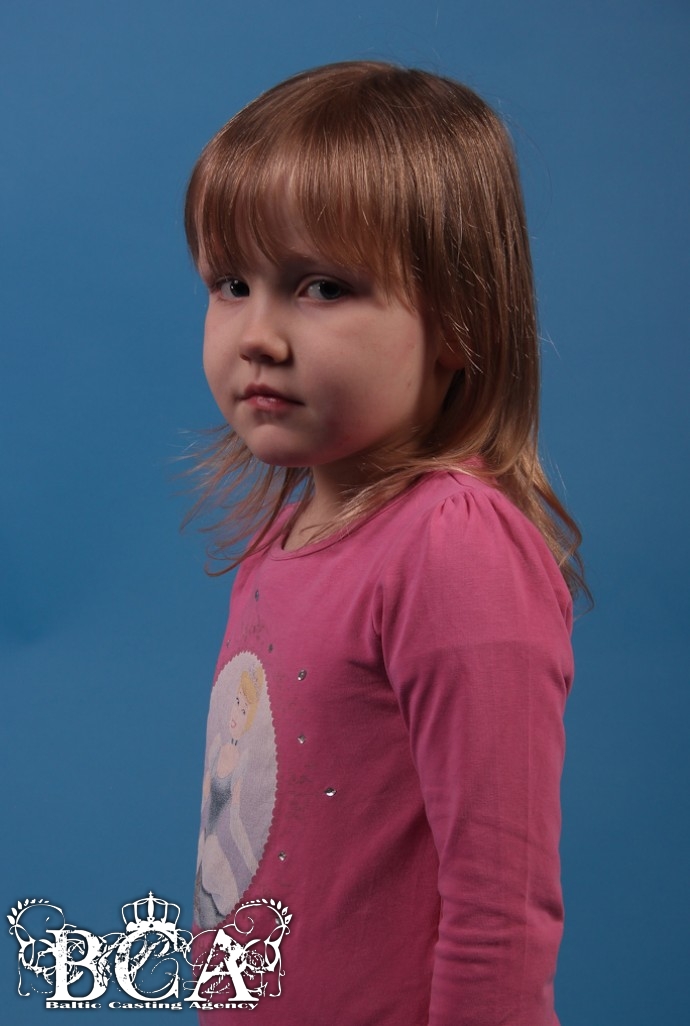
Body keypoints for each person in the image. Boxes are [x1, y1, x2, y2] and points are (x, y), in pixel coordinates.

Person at [183, 60, 585, 1026]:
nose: (258, 334)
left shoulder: (453, 548)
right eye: (232, 284)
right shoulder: (282, 538)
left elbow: (501, 907)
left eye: (321, 287)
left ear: (458, 323)